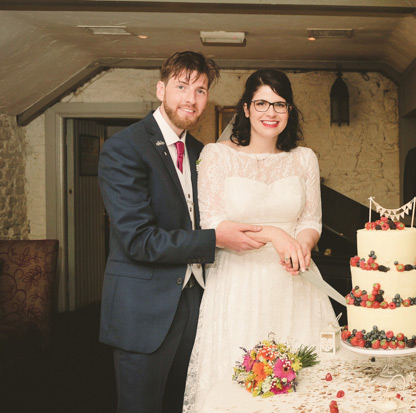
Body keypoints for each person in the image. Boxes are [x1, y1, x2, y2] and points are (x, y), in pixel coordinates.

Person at [98, 51, 264, 413]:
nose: (191, 98)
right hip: (143, 311)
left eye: (201, 90)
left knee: (185, 405)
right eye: (182, 86)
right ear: (161, 89)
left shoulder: (200, 152)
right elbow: (139, 240)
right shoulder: (123, 149)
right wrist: (216, 240)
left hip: (197, 304)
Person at [183, 69, 337, 410]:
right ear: (247, 109)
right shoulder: (217, 156)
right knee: (239, 387)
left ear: (290, 111)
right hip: (238, 284)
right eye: (262, 103)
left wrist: (302, 245)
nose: (271, 112)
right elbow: (213, 224)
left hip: (296, 284)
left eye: (280, 104)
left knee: (307, 382)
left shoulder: (303, 159)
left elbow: (311, 220)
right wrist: (274, 234)